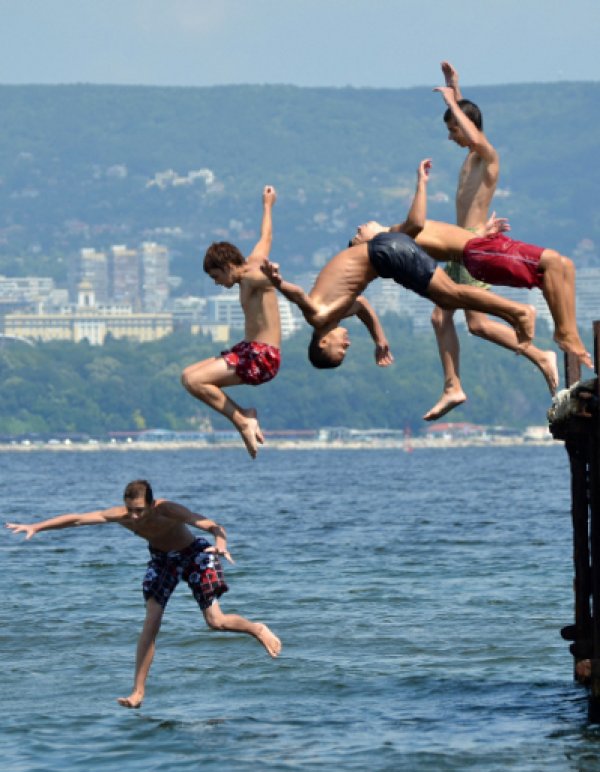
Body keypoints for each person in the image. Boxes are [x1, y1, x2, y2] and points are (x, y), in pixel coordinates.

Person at [5, 479, 281, 709]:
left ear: (151, 504)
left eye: (139, 510)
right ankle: (138, 692)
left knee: (215, 622)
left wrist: (221, 544)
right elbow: (77, 519)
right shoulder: (122, 516)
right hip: (162, 560)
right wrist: (36, 527)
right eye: (130, 510)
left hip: (196, 554)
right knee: (151, 621)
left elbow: (212, 526)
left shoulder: (168, 510)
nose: (134, 517)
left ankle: (257, 629)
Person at [261, 160, 536, 370]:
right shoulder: (337, 311)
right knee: (449, 294)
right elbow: (364, 308)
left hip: (385, 256)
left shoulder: (318, 317)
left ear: (322, 341)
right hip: (387, 255)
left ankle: (518, 311)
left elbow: (299, 297)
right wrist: (379, 339)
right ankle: (514, 311)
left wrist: (278, 281)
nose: (347, 344)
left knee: (450, 295)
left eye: (340, 349)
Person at [352, 160, 593, 371]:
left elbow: (445, 239)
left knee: (565, 265)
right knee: (551, 262)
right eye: (357, 236)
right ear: (368, 244)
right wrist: (421, 183)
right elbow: (416, 222)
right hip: (480, 253)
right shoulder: (394, 238)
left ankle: (571, 336)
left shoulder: (396, 235)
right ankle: (564, 334)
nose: (358, 228)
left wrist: (478, 232)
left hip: (480, 245)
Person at [425, 61, 558, 420]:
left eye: (453, 129)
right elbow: (472, 126)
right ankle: (453, 386)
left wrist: (455, 105)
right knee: (442, 318)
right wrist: (455, 88)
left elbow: (474, 131)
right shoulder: (472, 157)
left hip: (470, 247)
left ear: (466, 127)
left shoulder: (488, 156)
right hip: (459, 246)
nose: (451, 137)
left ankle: (539, 355)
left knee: (477, 324)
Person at [181, 185, 280, 459]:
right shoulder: (253, 262)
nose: (218, 284)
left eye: (216, 277)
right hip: (250, 350)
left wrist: (274, 277)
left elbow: (265, 280)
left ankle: (242, 419)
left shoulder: (250, 277)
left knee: (192, 380)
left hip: (262, 357)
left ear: (226, 267)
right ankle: (244, 416)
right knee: (189, 375)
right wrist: (268, 205)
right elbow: (266, 236)